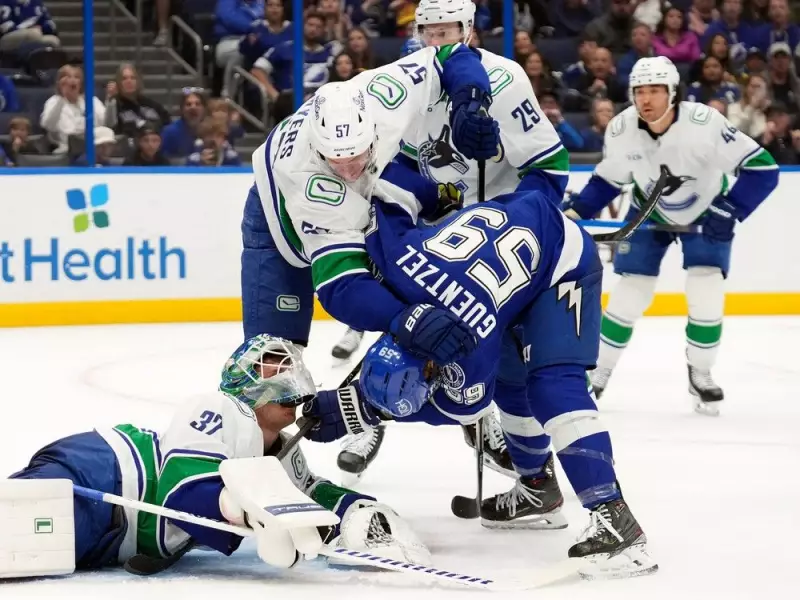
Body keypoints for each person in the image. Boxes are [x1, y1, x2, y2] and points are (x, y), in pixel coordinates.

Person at [301, 184, 657, 580]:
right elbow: (390, 199)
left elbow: (462, 409)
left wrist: (361, 409)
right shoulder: (393, 256)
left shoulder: (469, 344)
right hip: (510, 239)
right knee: (511, 384)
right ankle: (537, 487)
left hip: (563, 259)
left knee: (553, 385)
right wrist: (437, 196)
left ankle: (616, 523)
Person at [333, 0, 569, 486]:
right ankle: (370, 414)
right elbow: (393, 163)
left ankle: (484, 420)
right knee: (406, 317)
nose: (436, 40)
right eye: (429, 30)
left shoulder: (503, 80)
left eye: (447, 30)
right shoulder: (405, 81)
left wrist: (520, 223)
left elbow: (549, 167)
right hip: (434, 229)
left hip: (496, 236)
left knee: (497, 340)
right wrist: (420, 203)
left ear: (469, 29)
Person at [1, 334, 429, 577]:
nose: (288, 377)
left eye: (289, 368)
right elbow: (184, 494)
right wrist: (254, 514)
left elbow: (312, 494)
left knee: (26, 559)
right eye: (273, 368)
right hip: (99, 473)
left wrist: (360, 512)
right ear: (245, 383)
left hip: (114, 535)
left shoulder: (282, 453)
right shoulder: (220, 407)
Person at [241, 42, 500, 431]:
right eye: (337, 160)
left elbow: (453, 55)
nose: (348, 169)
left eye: (355, 155)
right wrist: (402, 318)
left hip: (379, 177)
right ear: (318, 149)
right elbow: (341, 287)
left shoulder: (384, 95)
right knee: (272, 359)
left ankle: (469, 405)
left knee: (435, 287)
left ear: (372, 128)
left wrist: (470, 103)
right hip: (277, 222)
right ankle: (255, 441)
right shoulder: (311, 185)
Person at [563, 56, 779, 416]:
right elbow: (608, 180)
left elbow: (763, 168)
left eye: (655, 90)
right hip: (648, 210)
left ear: (673, 92)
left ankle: (701, 372)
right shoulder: (620, 128)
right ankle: (598, 371)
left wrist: (730, 209)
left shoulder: (705, 123)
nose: (646, 99)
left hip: (707, 209)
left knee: (706, 290)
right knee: (630, 293)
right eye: (639, 91)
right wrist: (577, 211)